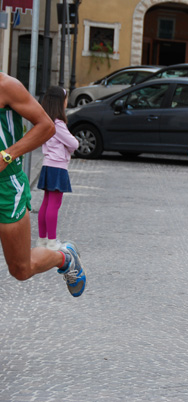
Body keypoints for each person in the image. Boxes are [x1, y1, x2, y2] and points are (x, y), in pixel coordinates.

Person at [0, 73, 86, 297]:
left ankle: (64, 257)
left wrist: (7, 155)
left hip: (6, 186)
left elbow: (46, 126)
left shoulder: (6, 86)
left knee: (21, 269)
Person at [37, 86, 80, 251]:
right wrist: (69, 147)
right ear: (60, 102)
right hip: (58, 167)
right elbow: (74, 143)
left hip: (48, 164)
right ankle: (52, 241)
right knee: (54, 204)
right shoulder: (58, 123)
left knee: (46, 203)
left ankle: (42, 240)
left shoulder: (46, 121)